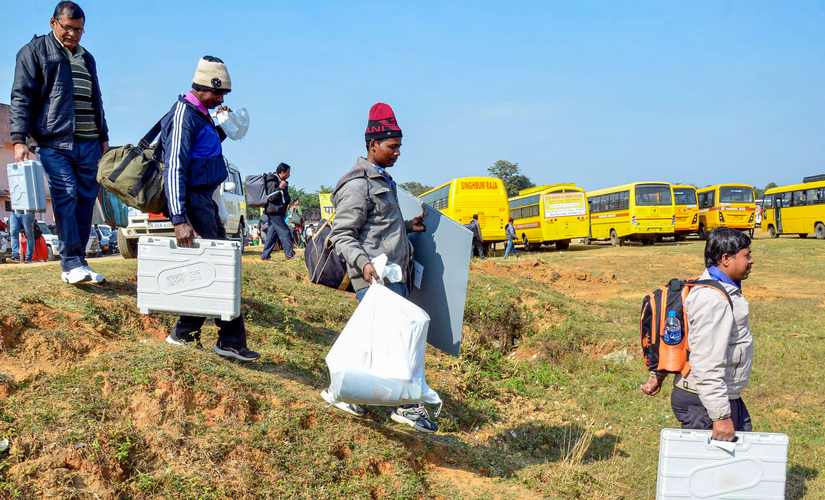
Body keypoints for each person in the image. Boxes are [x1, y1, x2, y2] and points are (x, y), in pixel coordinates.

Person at [324, 102, 437, 433]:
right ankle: (407, 406)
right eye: (392, 146)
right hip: (375, 278)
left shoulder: (383, 180)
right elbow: (342, 234)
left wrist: (408, 226)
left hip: (393, 276)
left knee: (377, 343)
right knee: (397, 342)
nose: (398, 152)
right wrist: (363, 264)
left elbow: (378, 226)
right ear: (373, 144)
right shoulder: (357, 184)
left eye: (399, 146)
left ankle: (348, 394)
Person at [161, 55, 259, 362]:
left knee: (211, 268)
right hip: (192, 200)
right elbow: (174, 166)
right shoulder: (184, 114)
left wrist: (224, 127)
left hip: (205, 199)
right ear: (204, 86)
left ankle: (185, 334)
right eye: (218, 93)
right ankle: (228, 340)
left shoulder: (202, 115)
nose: (221, 100)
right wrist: (179, 218)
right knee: (219, 267)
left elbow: (205, 149)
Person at [10, 1, 108, 283]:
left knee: (86, 200)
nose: (72, 34)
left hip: (90, 142)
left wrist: (103, 137)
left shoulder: (87, 58)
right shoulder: (34, 51)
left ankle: (80, 262)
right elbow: (21, 96)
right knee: (66, 193)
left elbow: (96, 99)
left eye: (78, 30)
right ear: (53, 23)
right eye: (67, 28)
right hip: (55, 141)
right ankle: (70, 264)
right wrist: (18, 139)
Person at [641, 228, 754, 441]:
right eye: (746, 255)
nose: (751, 261)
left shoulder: (718, 289)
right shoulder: (713, 300)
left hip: (713, 396)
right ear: (726, 259)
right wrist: (720, 416)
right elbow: (706, 362)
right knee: (711, 462)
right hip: (702, 401)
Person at [261, 163, 294, 260]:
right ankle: (289, 254)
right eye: (288, 172)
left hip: (278, 211)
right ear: (282, 172)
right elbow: (270, 197)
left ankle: (265, 255)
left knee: (272, 235)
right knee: (285, 231)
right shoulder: (272, 179)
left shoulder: (281, 181)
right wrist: (280, 187)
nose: (289, 174)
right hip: (274, 211)